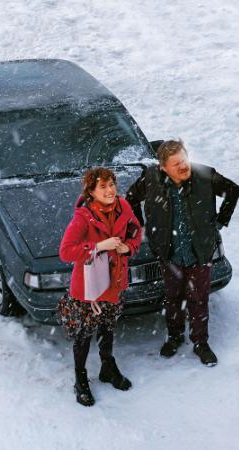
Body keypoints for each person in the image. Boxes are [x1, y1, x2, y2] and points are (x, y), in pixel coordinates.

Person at [126, 139, 239, 366]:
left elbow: (232, 190)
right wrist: (143, 227)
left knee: (198, 298)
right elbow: (130, 200)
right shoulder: (150, 179)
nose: (183, 166)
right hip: (169, 253)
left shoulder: (205, 176)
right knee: (173, 297)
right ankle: (175, 337)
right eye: (176, 163)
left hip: (199, 251)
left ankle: (201, 343)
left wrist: (218, 223)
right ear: (163, 167)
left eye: (184, 159)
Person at [59, 167, 142, 407]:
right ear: (91, 192)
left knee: (108, 327)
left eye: (112, 184)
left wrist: (129, 246)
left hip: (114, 282)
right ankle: (80, 378)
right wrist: (99, 246)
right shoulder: (82, 217)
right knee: (84, 335)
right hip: (90, 289)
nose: (110, 190)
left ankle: (107, 367)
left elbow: (136, 230)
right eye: (103, 187)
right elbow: (66, 252)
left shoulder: (123, 206)